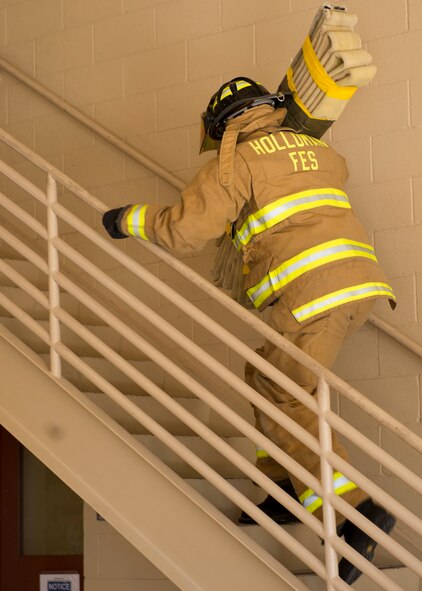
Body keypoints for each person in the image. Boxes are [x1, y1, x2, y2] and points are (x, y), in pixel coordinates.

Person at [102, 77, 396, 584]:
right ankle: (282, 487)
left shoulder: (236, 163)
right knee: (262, 374)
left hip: (311, 296)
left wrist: (127, 219)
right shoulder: (317, 150)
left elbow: (186, 230)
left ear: (223, 125)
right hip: (360, 288)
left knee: (286, 398)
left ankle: (355, 511)